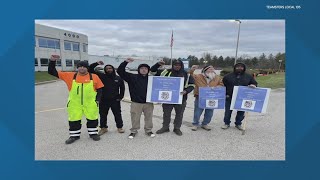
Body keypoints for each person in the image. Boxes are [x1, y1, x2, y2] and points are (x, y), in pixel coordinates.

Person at [48, 55, 104, 144]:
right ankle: (74, 135)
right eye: (80, 66)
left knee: (93, 119)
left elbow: (100, 89)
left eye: (84, 66)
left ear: (87, 68)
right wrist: (52, 61)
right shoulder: (70, 75)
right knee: (74, 119)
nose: (82, 68)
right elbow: (51, 71)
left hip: (90, 103)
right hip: (74, 103)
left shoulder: (94, 76)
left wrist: (97, 100)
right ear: (77, 68)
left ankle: (93, 134)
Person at [150, 59, 195, 136]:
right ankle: (165, 127)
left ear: (181, 66)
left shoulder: (186, 74)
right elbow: (153, 72)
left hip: (181, 98)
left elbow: (192, 85)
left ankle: (177, 128)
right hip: (168, 98)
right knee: (166, 113)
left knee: (179, 114)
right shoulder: (166, 72)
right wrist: (158, 64)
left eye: (179, 65)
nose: (177, 66)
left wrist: (186, 91)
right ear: (173, 65)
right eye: (175, 65)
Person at [117, 58, 155, 139]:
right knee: (135, 117)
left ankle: (148, 130)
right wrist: (125, 62)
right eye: (142, 68)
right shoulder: (132, 77)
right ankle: (134, 131)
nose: (144, 70)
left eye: (146, 69)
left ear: (148, 70)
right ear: (138, 70)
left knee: (149, 117)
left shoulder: (152, 79)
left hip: (148, 102)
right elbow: (120, 71)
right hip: (136, 102)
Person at [89, 61, 125, 135]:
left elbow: (122, 88)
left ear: (113, 69)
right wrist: (96, 63)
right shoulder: (101, 76)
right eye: (107, 68)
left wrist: (120, 97)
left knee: (117, 114)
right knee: (103, 115)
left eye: (110, 68)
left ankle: (119, 127)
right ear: (105, 70)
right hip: (103, 100)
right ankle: (103, 128)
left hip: (115, 100)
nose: (109, 69)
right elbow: (90, 69)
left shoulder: (118, 78)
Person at [221, 62, 257, 130]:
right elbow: (223, 85)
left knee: (241, 112)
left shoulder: (248, 76)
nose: (239, 68)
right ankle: (226, 123)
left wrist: (253, 85)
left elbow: (254, 83)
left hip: (242, 97)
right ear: (235, 68)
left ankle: (238, 123)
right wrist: (225, 94)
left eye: (241, 67)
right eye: (238, 67)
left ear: (243, 68)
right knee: (228, 112)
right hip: (230, 96)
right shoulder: (228, 76)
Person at [190, 65, 223, 131]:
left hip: (212, 97)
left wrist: (218, 87)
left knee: (209, 112)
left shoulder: (217, 77)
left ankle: (205, 124)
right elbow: (190, 75)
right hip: (200, 96)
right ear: (204, 70)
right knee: (197, 112)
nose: (211, 70)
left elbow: (221, 84)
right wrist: (192, 70)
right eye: (209, 69)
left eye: (212, 69)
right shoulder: (198, 76)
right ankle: (195, 124)